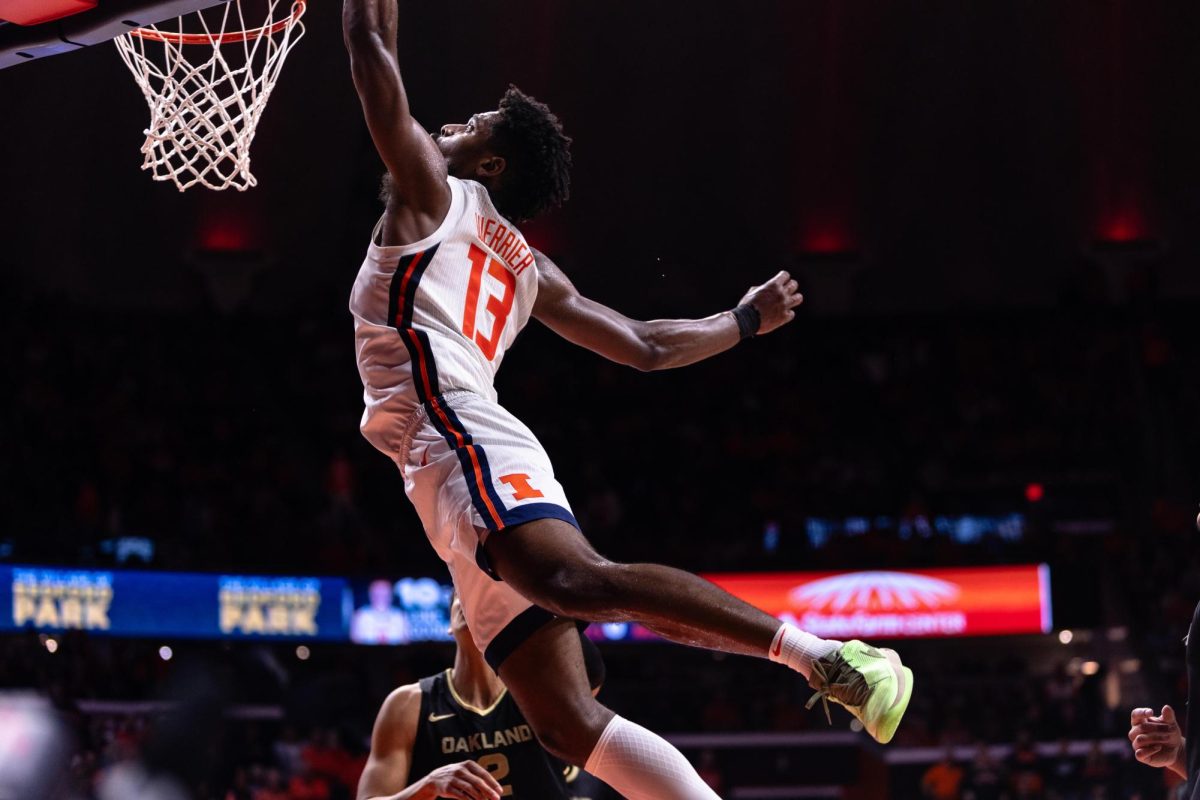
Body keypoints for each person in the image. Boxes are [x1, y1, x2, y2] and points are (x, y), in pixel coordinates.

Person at [341, 0, 913, 795]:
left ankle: (828, 658)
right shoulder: (528, 266)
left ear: (492, 165)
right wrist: (740, 321)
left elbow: (370, 40)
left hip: (458, 435)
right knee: (563, 721)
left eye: (471, 127)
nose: (449, 128)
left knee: (578, 582)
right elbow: (643, 346)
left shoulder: (430, 192)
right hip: (450, 462)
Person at [357, 594, 607, 800]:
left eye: (484, 599)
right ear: (448, 624)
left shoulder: (539, 690)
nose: (470, 601)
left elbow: (592, 679)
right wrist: (429, 785)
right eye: (461, 595)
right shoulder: (407, 704)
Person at [351, 579, 412, 644]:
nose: (381, 597)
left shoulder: (400, 616)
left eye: (384, 594)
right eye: (377, 594)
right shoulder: (360, 616)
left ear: (391, 595)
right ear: (370, 595)